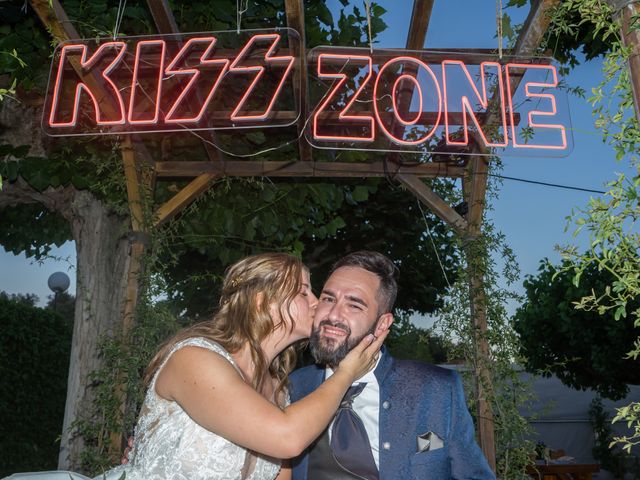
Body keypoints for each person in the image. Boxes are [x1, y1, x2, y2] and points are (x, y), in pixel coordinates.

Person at [5, 253, 387, 480]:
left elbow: (281, 471)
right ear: (259, 303)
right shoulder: (196, 358)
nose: (317, 302)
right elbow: (286, 437)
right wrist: (347, 372)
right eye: (303, 291)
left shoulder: (279, 388)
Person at [281, 250, 496, 480]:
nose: (333, 315)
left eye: (354, 305)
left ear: (382, 324)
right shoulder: (291, 388)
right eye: (328, 298)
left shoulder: (437, 390)